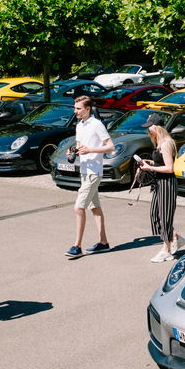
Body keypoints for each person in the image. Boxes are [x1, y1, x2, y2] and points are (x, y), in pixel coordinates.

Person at [64, 95, 114, 259]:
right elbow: (80, 147)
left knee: (78, 208)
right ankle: (104, 243)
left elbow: (110, 147)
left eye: (78, 109)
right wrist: (72, 152)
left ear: (87, 109)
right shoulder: (80, 125)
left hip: (94, 172)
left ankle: (77, 246)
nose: (75, 111)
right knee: (95, 208)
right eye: (75, 108)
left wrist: (91, 150)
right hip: (84, 172)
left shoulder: (97, 124)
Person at [138, 115, 185, 262]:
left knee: (165, 217)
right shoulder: (159, 142)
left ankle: (166, 250)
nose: (148, 130)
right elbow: (161, 163)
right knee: (155, 216)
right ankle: (175, 237)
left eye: (150, 127)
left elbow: (170, 168)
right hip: (159, 182)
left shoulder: (166, 143)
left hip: (167, 183)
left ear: (157, 127)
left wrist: (150, 168)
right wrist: (149, 162)